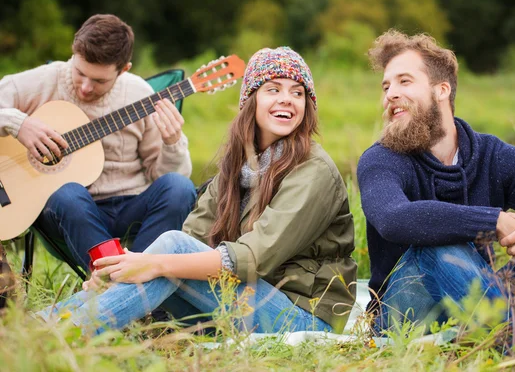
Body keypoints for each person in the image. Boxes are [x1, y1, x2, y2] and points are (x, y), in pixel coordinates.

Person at [38, 47, 357, 335]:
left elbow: (251, 259)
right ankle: (43, 325)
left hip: (302, 316)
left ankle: (62, 335)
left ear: (307, 106)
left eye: (298, 93)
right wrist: (120, 273)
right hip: (245, 300)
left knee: (169, 254)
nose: (287, 99)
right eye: (273, 89)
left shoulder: (314, 170)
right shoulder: (241, 165)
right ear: (251, 101)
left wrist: (155, 264)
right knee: (167, 251)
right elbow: (194, 235)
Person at [357, 30, 515, 333]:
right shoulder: (381, 160)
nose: (390, 94)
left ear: (442, 90)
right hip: (404, 315)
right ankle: (514, 342)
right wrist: (494, 220)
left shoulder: (493, 155)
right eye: (386, 86)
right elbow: (393, 219)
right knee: (436, 248)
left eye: (404, 81)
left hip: (474, 292)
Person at [0, 14, 196, 272]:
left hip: (130, 207)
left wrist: (172, 144)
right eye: (80, 73)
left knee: (179, 187)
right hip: (69, 214)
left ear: (124, 69)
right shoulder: (43, 81)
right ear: (73, 53)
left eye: (99, 81)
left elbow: (163, 176)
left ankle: (126, 287)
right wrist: (18, 124)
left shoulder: (140, 95)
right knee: (68, 193)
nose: (84, 87)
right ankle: (127, 289)